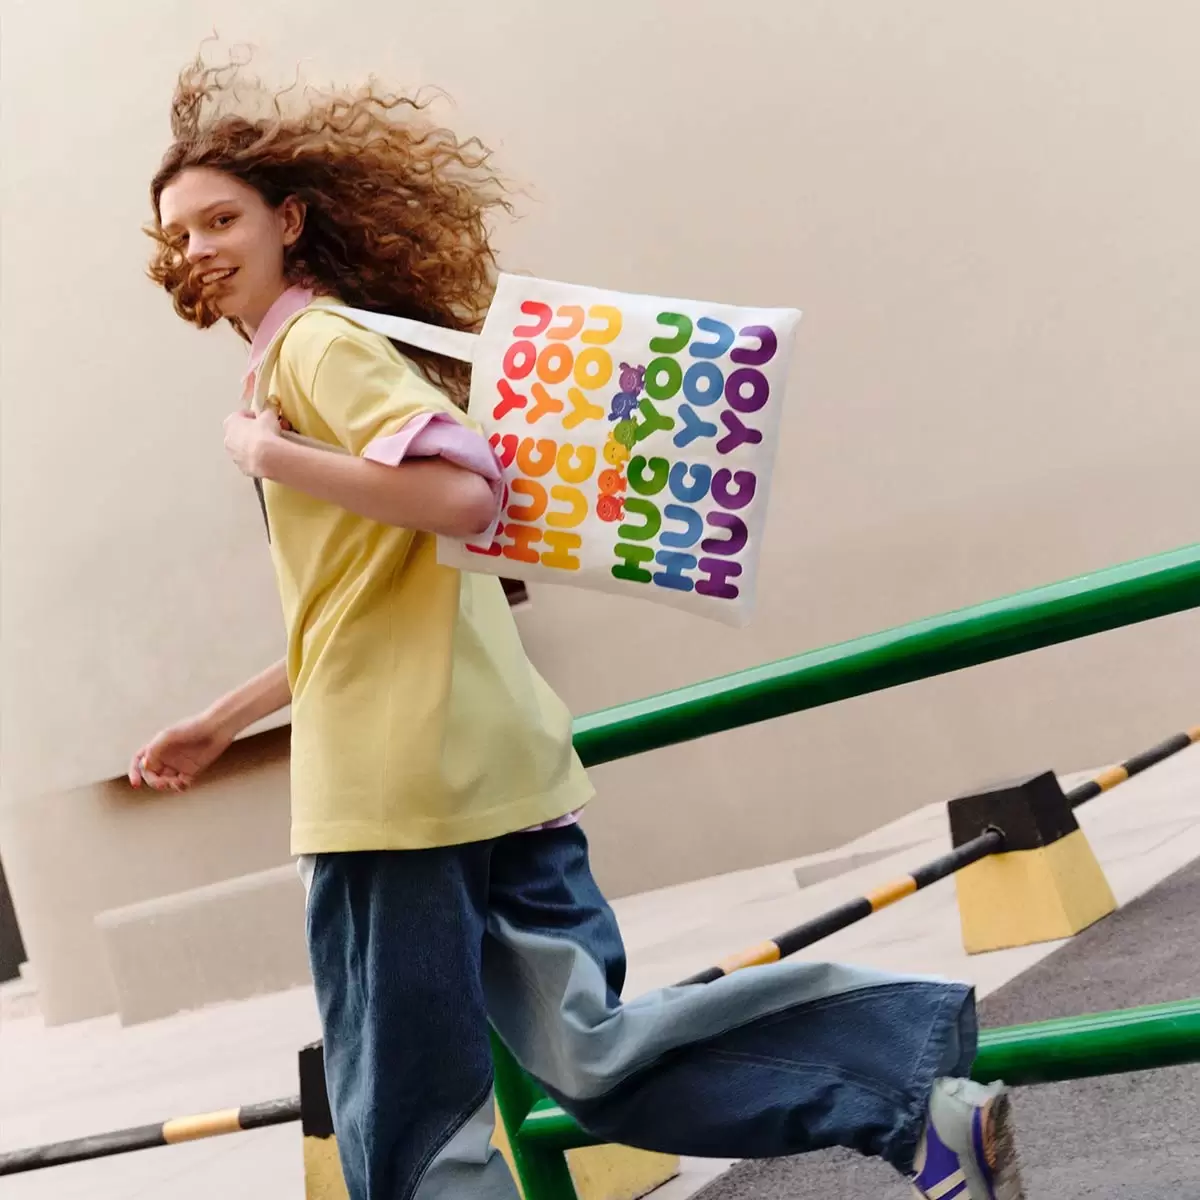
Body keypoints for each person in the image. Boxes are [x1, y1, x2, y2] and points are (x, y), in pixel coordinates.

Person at [130, 51, 1024, 1200]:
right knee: (595, 1057)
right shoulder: (315, 356)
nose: (201, 247)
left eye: (222, 219)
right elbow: (359, 601)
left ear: (288, 221)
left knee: (408, 1127)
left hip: (393, 795)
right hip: (496, 764)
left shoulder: (313, 351)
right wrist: (224, 718)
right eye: (182, 233)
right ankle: (911, 1097)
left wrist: (270, 455)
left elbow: (465, 497)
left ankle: (901, 1083)